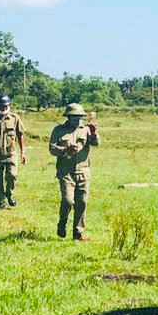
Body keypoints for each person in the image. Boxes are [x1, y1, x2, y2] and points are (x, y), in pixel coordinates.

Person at [49, 103, 99, 241]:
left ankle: (78, 233)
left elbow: (96, 143)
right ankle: (62, 223)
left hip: (83, 171)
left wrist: (94, 133)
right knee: (68, 201)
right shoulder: (59, 130)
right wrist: (65, 150)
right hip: (66, 172)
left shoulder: (87, 130)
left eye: (80, 117)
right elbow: (52, 149)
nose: (78, 119)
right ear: (68, 117)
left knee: (82, 202)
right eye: (75, 117)